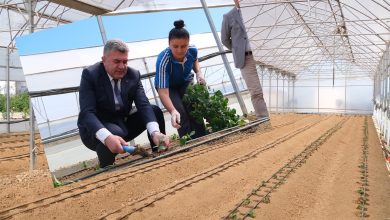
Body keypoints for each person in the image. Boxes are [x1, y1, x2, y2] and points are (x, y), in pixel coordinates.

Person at [78, 39, 170, 168]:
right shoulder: (91, 75)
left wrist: (155, 133)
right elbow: (87, 113)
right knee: (115, 132)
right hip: (95, 129)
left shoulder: (133, 75)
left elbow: (143, 105)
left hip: (122, 122)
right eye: (116, 61)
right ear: (104, 60)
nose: (122, 66)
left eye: (125, 61)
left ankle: (160, 151)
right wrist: (107, 137)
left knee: (154, 111)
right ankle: (106, 167)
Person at [155, 19, 206, 139]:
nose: (179, 50)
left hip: (185, 81)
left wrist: (199, 72)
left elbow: (194, 60)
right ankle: (187, 141)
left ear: (188, 44)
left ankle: (202, 137)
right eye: (175, 46)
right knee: (180, 112)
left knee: (194, 106)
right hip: (168, 87)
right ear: (169, 44)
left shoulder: (192, 50)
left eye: (184, 46)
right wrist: (172, 111)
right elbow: (163, 92)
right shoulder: (163, 59)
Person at [221, 0, 269, 119]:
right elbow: (225, 39)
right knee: (256, 91)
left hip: (264, 56)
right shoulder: (228, 16)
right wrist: (238, 49)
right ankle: (264, 119)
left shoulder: (258, 11)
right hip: (246, 59)